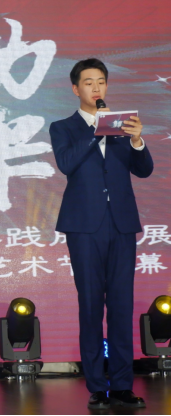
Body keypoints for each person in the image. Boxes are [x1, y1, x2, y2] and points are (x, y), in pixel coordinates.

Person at [50, 59, 153, 410]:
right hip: (84, 226)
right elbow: (66, 163)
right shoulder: (63, 128)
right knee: (91, 305)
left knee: (122, 306)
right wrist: (96, 130)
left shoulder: (123, 127)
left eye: (101, 82)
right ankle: (97, 385)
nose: (96, 88)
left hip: (121, 224)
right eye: (88, 82)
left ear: (107, 86)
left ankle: (122, 385)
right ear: (75, 88)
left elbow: (144, 170)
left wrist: (136, 140)